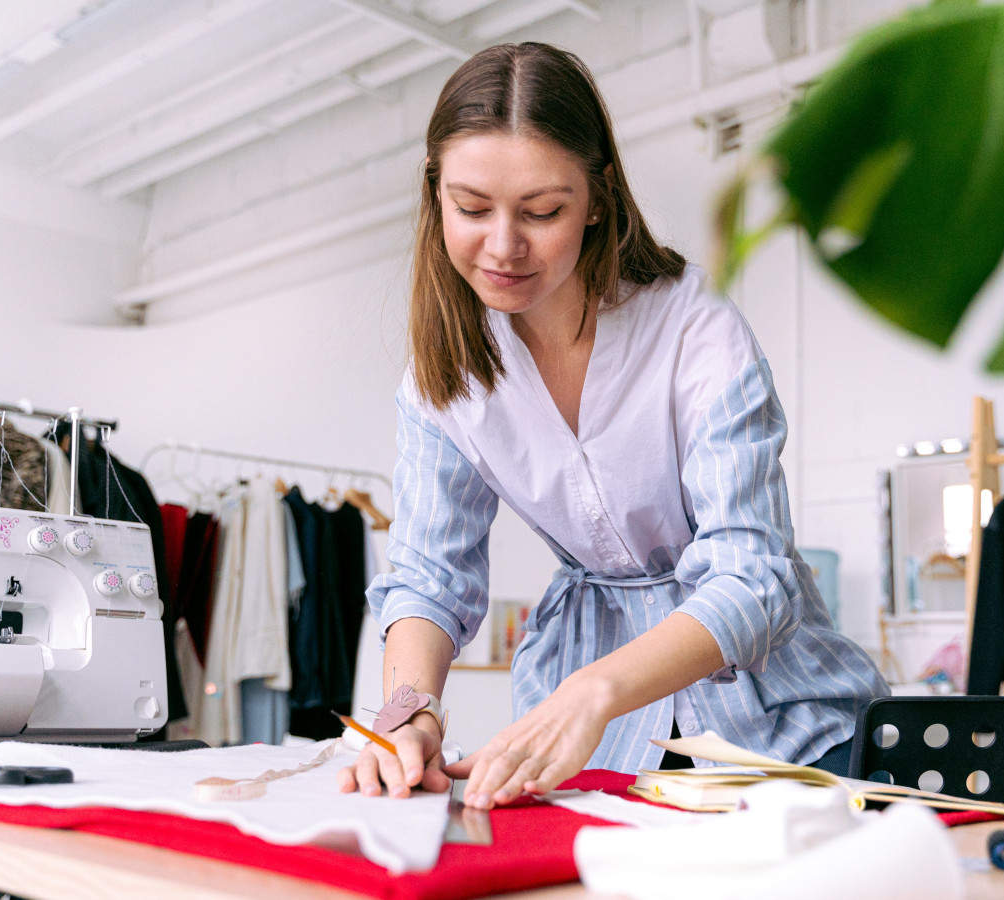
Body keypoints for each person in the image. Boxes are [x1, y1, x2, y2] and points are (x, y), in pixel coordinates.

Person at [338, 41, 888, 810]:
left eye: (542, 211)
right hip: (599, 748)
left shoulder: (694, 330)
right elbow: (429, 577)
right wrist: (407, 712)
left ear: (597, 199)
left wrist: (595, 691)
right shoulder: (445, 376)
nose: (503, 245)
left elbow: (753, 578)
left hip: (782, 725)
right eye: (471, 208)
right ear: (436, 193)